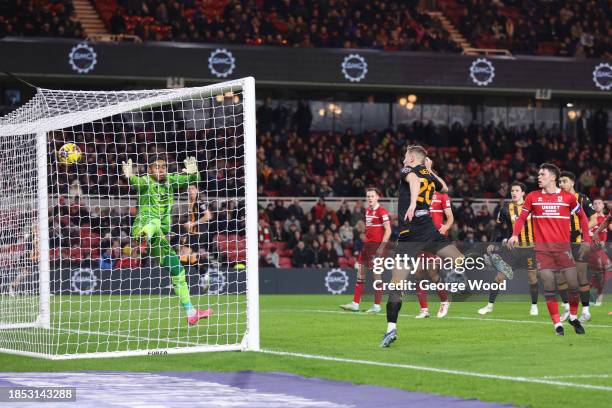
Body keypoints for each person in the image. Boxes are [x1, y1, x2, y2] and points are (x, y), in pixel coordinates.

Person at [381, 146, 470, 348]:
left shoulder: (407, 170)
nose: (403, 159)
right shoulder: (428, 175)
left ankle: (390, 329)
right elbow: (445, 188)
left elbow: (413, 180)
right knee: (459, 259)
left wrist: (412, 202)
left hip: (410, 234)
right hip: (429, 230)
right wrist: (429, 170)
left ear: (412, 158)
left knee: (396, 284)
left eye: (405, 156)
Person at [122, 155, 212, 326]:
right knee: (154, 221)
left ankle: (191, 312)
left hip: (159, 238)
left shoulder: (171, 180)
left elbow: (195, 179)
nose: (161, 169)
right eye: (156, 166)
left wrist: (194, 172)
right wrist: (129, 176)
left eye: (163, 166)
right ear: (149, 170)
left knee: (179, 271)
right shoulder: (146, 181)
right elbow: (135, 182)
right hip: (143, 226)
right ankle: (143, 236)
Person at [508, 163, 591, 336]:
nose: (538, 177)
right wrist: (515, 235)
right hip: (542, 251)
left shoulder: (568, 198)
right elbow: (522, 218)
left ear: (553, 177)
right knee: (549, 285)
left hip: (563, 249)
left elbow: (583, 218)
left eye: (542, 174)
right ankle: (557, 325)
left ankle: (573, 317)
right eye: (538, 174)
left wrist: (586, 240)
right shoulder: (532, 196)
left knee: (574, 287)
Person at [478, 182, 538, 316]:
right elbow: (498, 227)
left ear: (523, 193)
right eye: (512, 190)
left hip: (530, 248)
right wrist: (492, 242)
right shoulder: (506, 208)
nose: (514, 193)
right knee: (499, 277)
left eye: (517, 190)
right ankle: (489, 306)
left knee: (532, 277)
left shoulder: (532, 208)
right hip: (513, 249)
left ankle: (534, 306)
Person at [340, 188, 391, 314]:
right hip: (367, 247)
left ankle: (377, 306)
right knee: (360, 274)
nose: (369, 198)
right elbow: (371, 230)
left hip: (377, 247)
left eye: (372, 196)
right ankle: (355, 303)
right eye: (368, 196)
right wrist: (364, 233)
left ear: (377, 197)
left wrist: (381, 247)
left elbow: (388, 230)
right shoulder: (367, 211)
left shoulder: (382, 211)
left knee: (376, 276)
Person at [558, 171, 596, 322]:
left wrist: (580, 229)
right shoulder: (558, 200)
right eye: (560, 181)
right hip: (563, 245)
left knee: (581, 277)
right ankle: (567, 308)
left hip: (579, 243)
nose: (561, 184)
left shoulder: (582, 198)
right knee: (560, 278)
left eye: (564, 181)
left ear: (572, 183)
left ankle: (586, 311)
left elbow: (594, 219)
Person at [414, 190, 454, 319]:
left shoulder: (442, 195)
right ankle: (424, 310)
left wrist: (445, 227)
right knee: (418, 273)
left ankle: (444, 301)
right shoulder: (420, 195)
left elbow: (450, 217)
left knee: (432, 272)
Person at [588, 199, 611, 306]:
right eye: (594, 203)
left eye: (599, 203)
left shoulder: (606, 218)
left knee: (598, 273)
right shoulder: (591, 219)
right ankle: (599, 298)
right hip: (592, 248)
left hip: (600, 249)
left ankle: (581, 293)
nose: (597, 205)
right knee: (607, 268)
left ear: (603, 206)